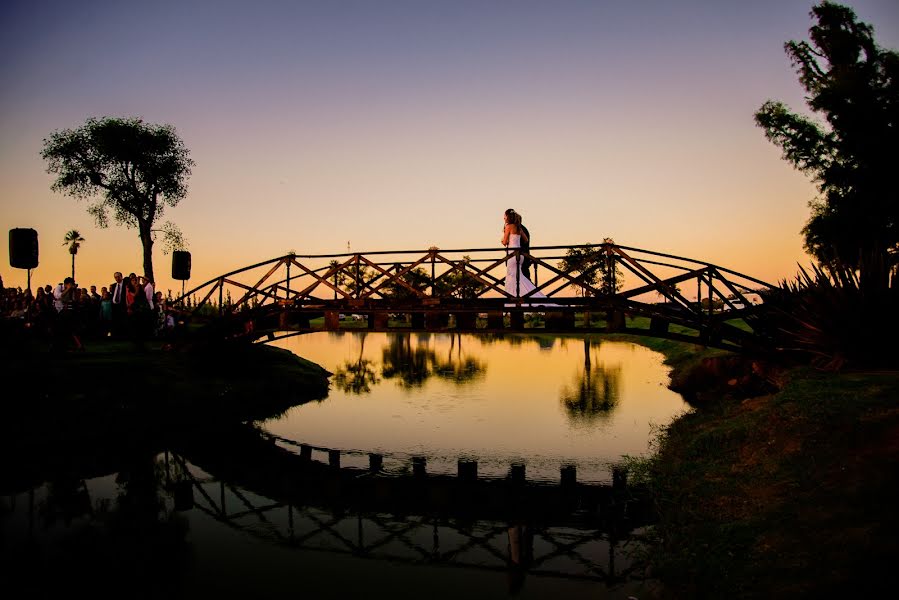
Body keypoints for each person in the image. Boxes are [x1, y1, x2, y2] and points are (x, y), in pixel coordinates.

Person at [501, 209, 547, 304]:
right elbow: (525, 240)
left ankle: (513, 299)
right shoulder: (519, 228)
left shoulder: (509, 226)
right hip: (520, 256)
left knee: (512, 277)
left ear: (508, 217)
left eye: (504, 216)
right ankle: (523, 296)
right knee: (518, 277)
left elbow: (504, 242)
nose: (503, 218)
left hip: (512, 255)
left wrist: (504, 240)